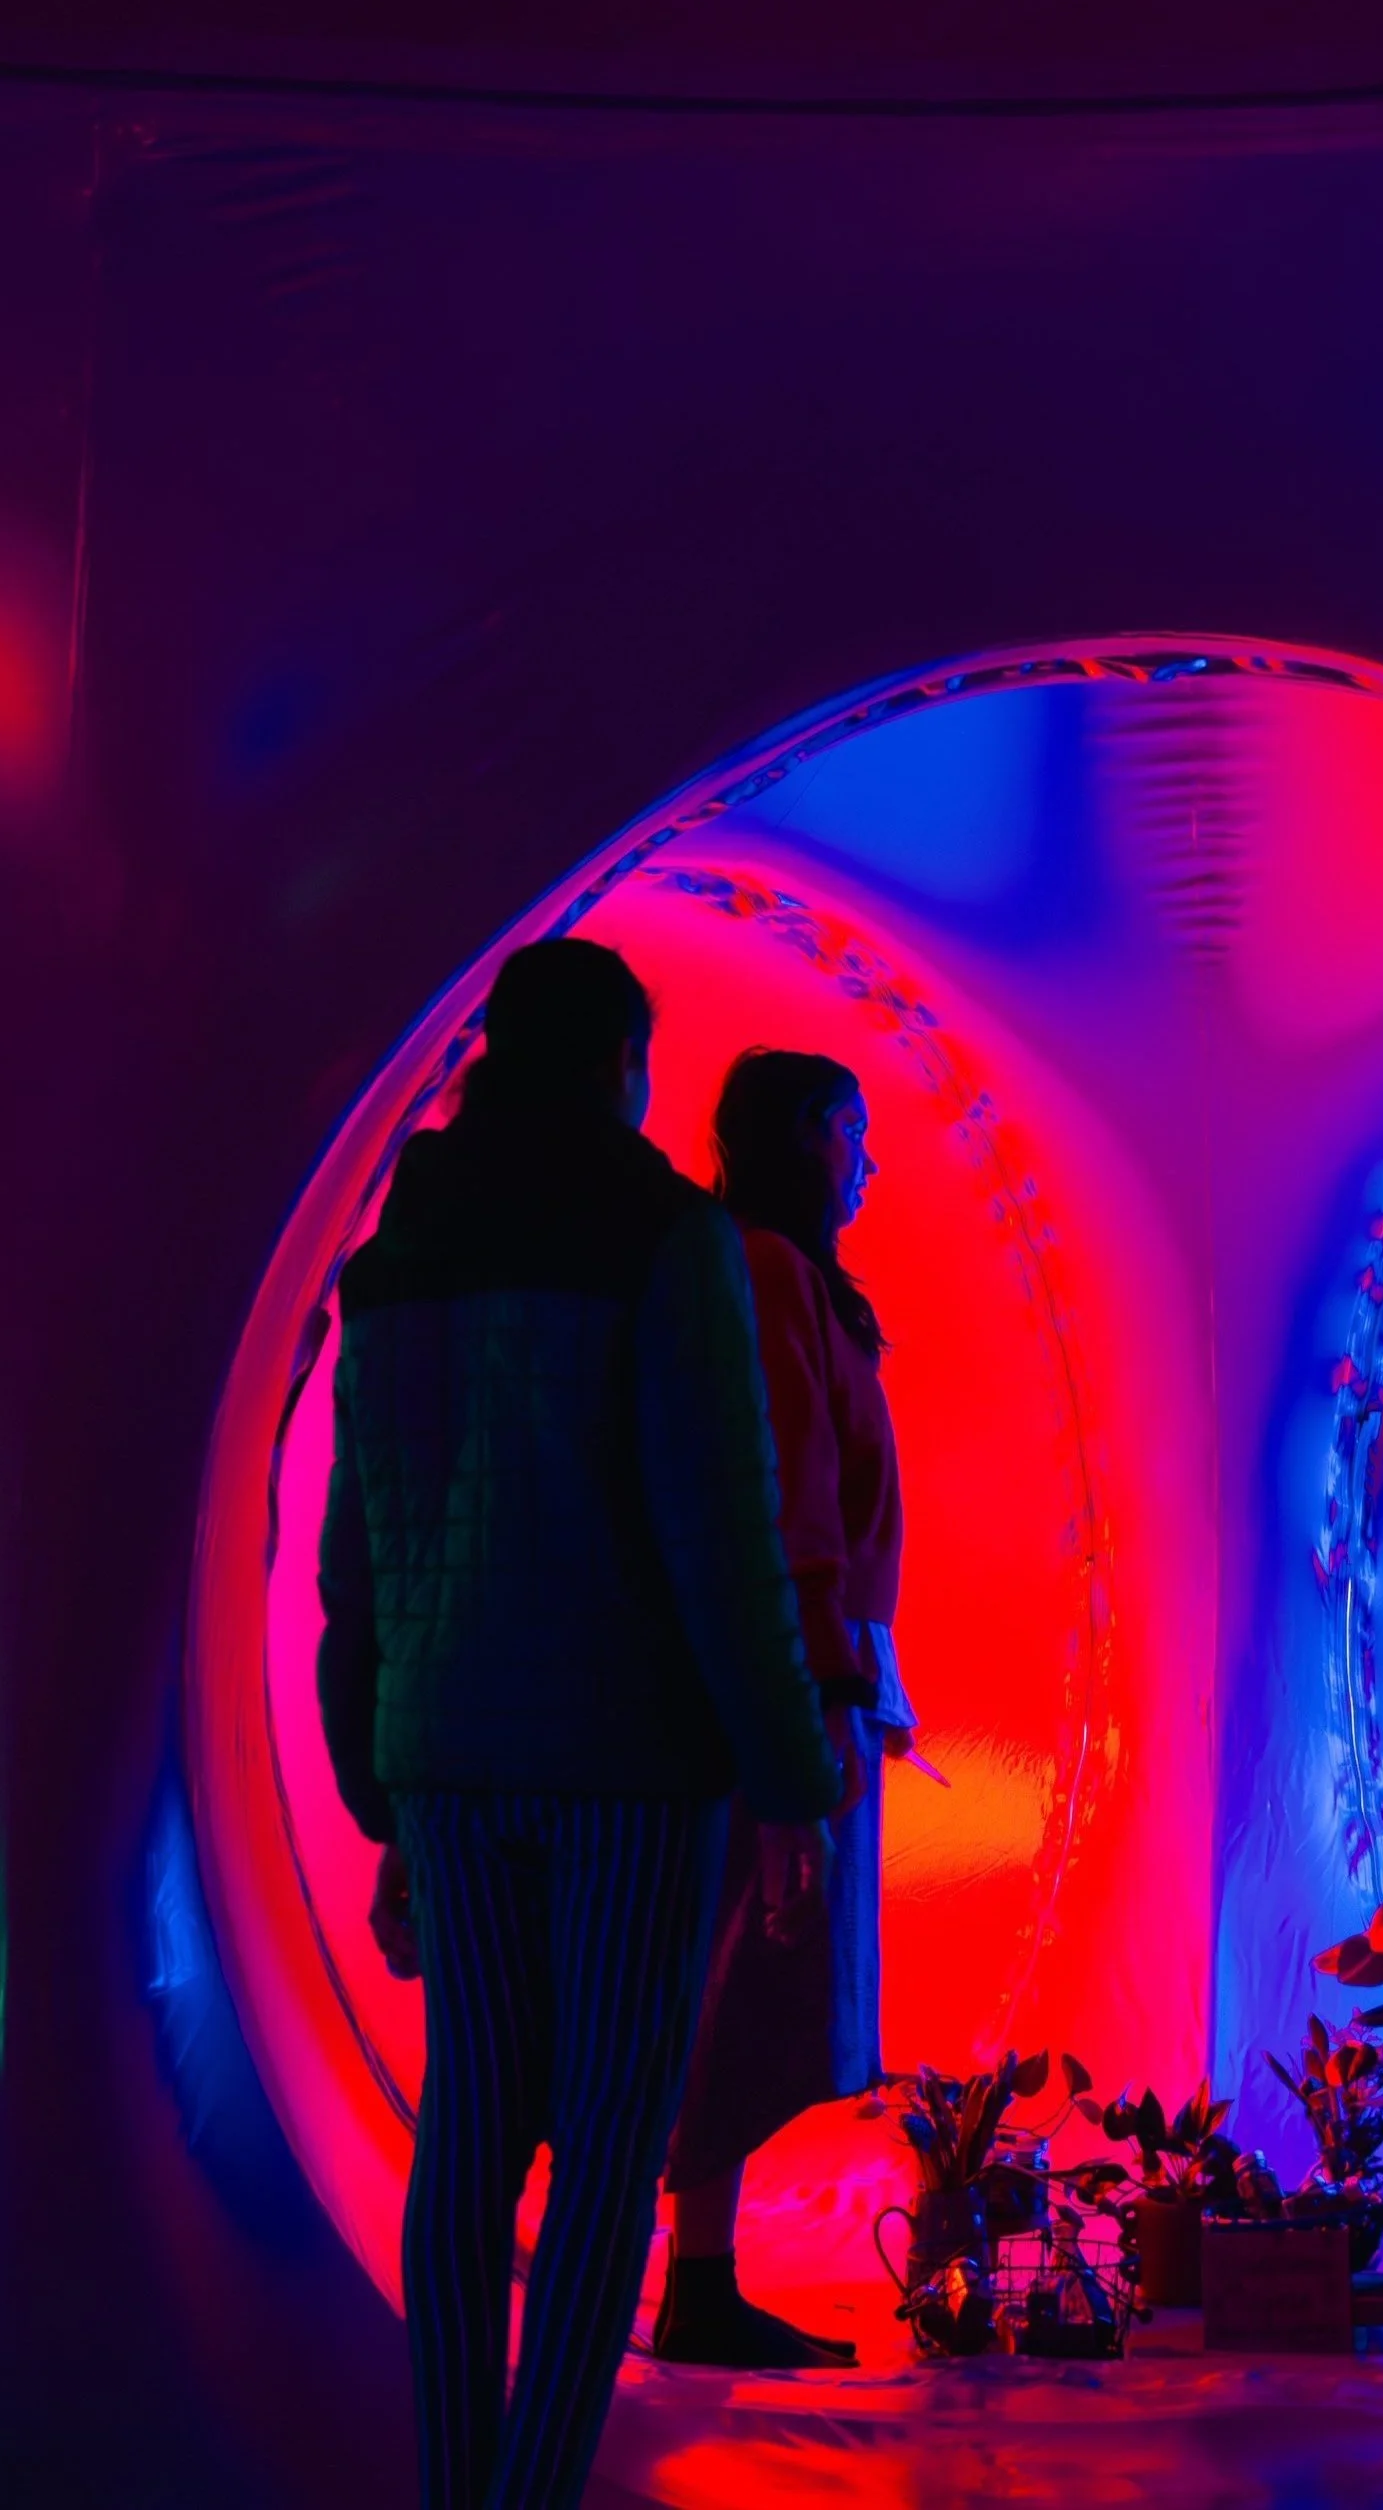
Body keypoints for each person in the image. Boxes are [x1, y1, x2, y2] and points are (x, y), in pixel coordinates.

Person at [316, 939, 843, 2510]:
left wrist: (379, 1772)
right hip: (627, 1757)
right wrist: (784, 1775)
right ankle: (532, 2491)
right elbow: (719, 1533)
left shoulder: (399, 1240)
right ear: (621, 1061)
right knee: (611, 2131)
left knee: (470, 2123)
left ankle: (451, 2482)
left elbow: (357, 1533)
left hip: (449, 1753)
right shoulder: (663, 1233)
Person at [651, 1049, 913, 2371]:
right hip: (798, 1686)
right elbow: (792, 1497)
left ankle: (702, 2273)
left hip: (821, 1673)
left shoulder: (780, 1274)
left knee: (755, 1976)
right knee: (742, 1970)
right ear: (811, 1132)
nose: (868, 1157)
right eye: (855, 1131)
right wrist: (815, 1695)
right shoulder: (766, 1274)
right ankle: (696, 2279)